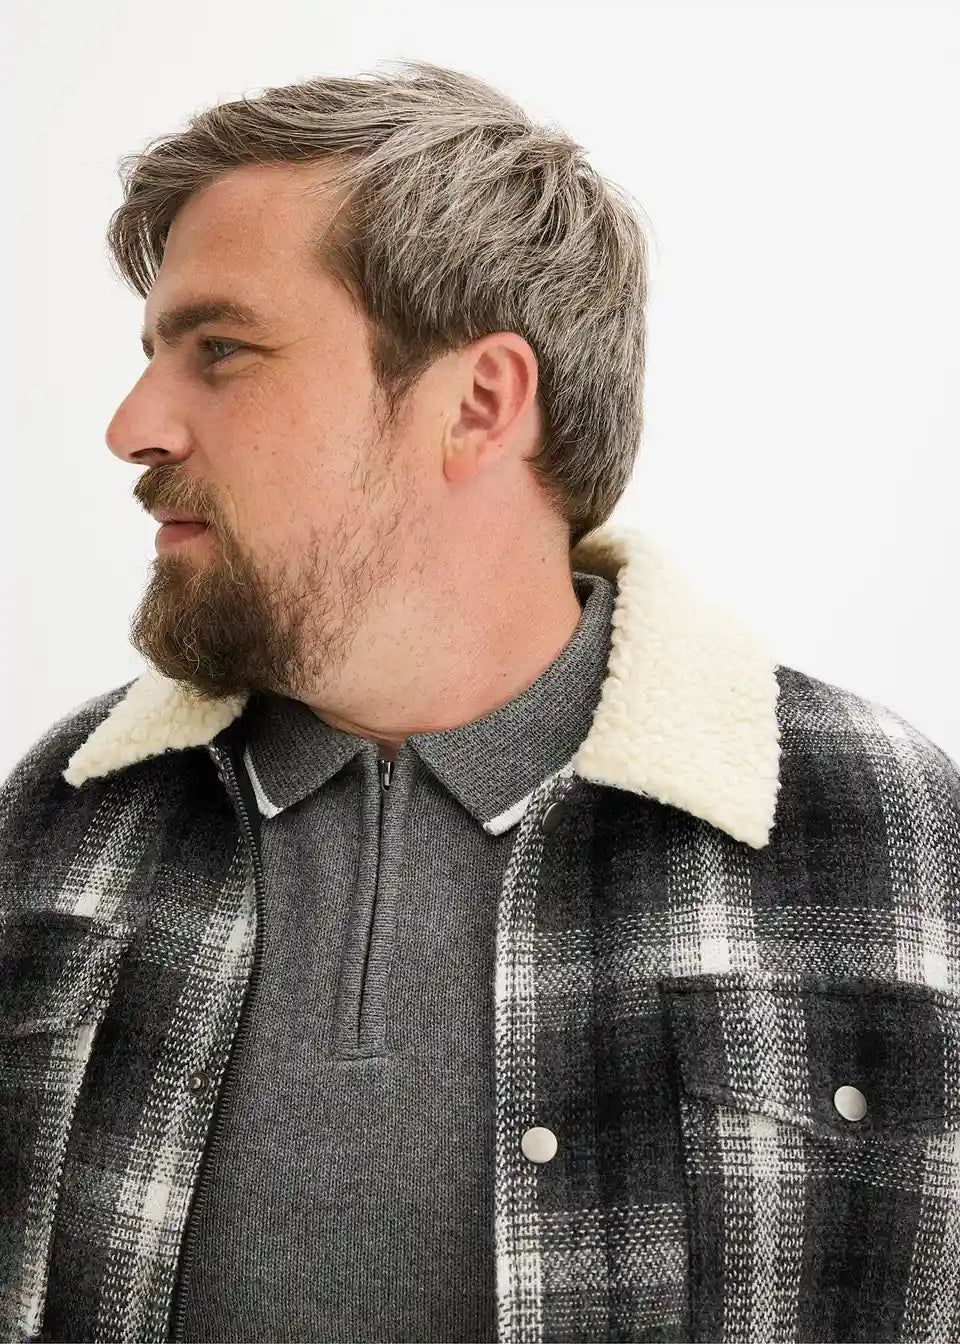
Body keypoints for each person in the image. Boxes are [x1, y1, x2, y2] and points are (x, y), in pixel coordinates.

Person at [2, 58, 958, 1344]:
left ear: (480, 403)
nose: (133, 425)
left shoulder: (887, 829)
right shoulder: (67, 819)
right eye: (151, 356)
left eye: (220, 350)